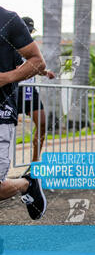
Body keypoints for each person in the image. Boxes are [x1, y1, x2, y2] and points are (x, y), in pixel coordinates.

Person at [0, 6, 47, 219]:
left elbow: (36, 61)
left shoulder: (9, 20)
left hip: (3, 109)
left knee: (42, 122)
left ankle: (27, 182)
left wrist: (5, 78)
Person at [16, 17, 56, 163]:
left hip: (30, 91)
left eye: (31, 32)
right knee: (6, 128)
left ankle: (34, 162)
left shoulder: (31, 46)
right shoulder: (11, 45)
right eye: (27, 31)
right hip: (13, 90)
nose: (29, 34)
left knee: (43, 123)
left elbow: (34, 64)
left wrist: (45, 72)